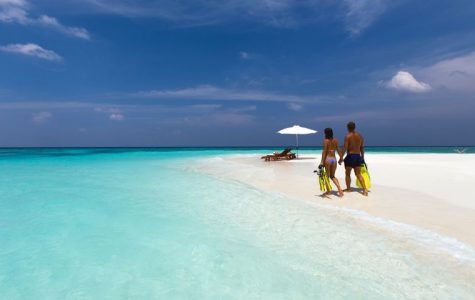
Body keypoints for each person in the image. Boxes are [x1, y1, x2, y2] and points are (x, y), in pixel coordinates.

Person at [339, 121, 368, 196]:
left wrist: (341, 158)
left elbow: (345, 147)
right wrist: (362, 157)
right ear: (354, 127)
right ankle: (365, 189)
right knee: (358, 174)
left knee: (347, 174)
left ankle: (348, 189)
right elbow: (362, 147)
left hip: (350, 156)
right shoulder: (360, 136)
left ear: (348, 127)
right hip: (358, 156)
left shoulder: (347, 136)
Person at [320, 128, 344, 197]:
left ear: (325, 133)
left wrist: (322, 162)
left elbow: (324, 152)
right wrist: (341, 158)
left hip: (328, 159)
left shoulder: (325, 141)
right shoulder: (335, 140)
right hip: (334, 159)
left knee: (327, 177)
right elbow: (339, 150)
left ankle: (328, 191)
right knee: (332, 176)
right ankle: (339, 189)